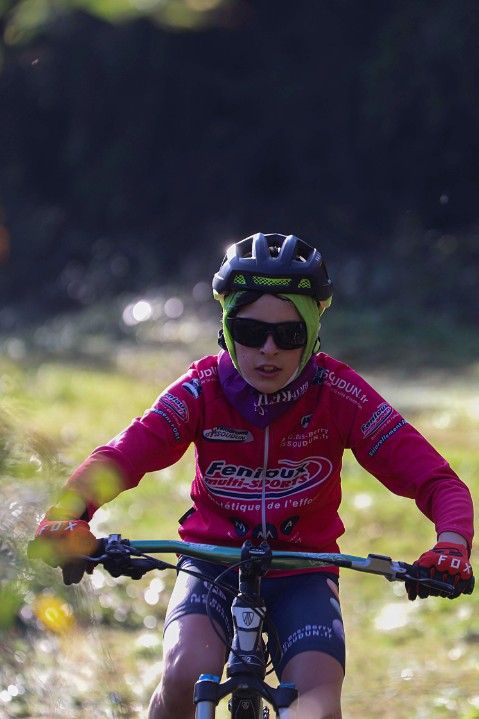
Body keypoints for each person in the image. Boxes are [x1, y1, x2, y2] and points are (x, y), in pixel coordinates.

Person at [34, 233, 474, 719]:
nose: (268, 350)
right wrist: (66, 514)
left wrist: (451, 545)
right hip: (210, 564)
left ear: (313, 332)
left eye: (288, 335)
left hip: (304, 570)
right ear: (226, 328)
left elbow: (438, 481)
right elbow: (121, 458)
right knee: (183, 678)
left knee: (316, 706)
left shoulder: (340, 394)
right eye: (249, 331)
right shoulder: (200, 390)